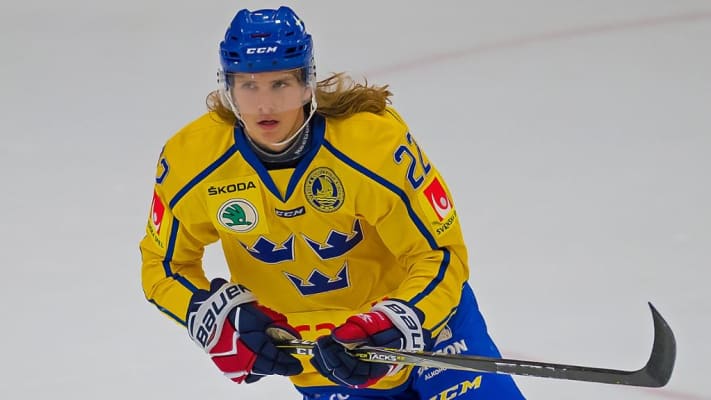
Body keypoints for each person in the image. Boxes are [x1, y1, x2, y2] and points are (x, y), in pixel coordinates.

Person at [140, 6, 526, 399]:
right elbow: (163, 265)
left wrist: (404, 318)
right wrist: (211, 314)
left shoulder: (372, 146)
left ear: (306, 84)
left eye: (280, 84)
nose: (265, 105)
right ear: (228, 88)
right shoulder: (192, 162)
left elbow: (439, 254)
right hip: (326, 359)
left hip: (432, 332)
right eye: (249, 86)